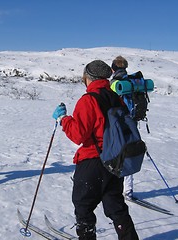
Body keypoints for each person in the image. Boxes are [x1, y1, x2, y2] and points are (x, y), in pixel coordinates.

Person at [52, 60, 139, 240]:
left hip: (92, 161)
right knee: (116, 207)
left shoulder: (89, 100)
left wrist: (63, 119)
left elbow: (78, 135)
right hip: (115, 161)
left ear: (88, 78)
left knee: (83, 207)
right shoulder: (116, 97)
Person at [111, 56, 134, 200]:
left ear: (113, 68)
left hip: (117, 123)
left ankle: (111, 186)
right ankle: (128, 190)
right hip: (132, 122)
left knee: (114, 153)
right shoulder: (132, 81)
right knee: (130, 154)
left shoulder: (115, 83)